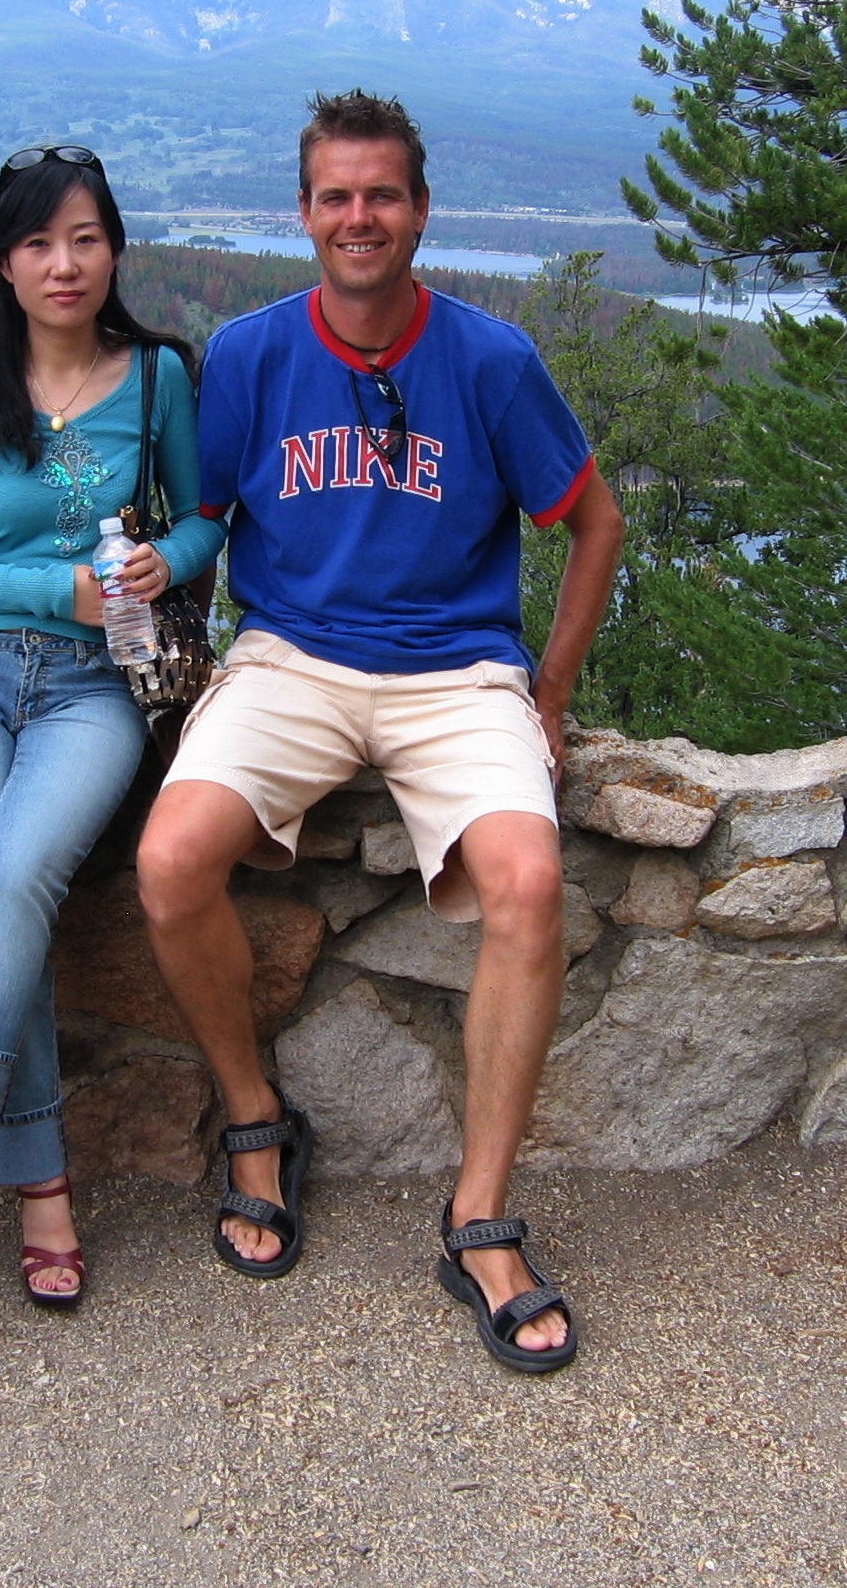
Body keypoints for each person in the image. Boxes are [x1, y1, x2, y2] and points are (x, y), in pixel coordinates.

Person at [135, 90, 625, 1374]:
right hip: (290, 657)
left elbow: (594, 524)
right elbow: (201, 523)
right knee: (170, 860)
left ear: (419, 211)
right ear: (304, 213)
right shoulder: (249, 356)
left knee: (528, 884)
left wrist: (550, 693)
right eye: (336, 197)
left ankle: (479, 1217)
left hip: (457, 672)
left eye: (382, 196)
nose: (359, 218)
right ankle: (255, 1120)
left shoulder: (490, 360)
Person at [0, 144, 223, 1308]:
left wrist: (162, 558)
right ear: (3, 261)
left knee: (11, 871)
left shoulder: (158, 378)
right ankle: (40, 1183)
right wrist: (53, 589)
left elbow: (207, 520)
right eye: (37, 242)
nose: (63, 263)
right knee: (3, 882)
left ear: (115, 250)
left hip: (95, 685)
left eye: (84, 239)